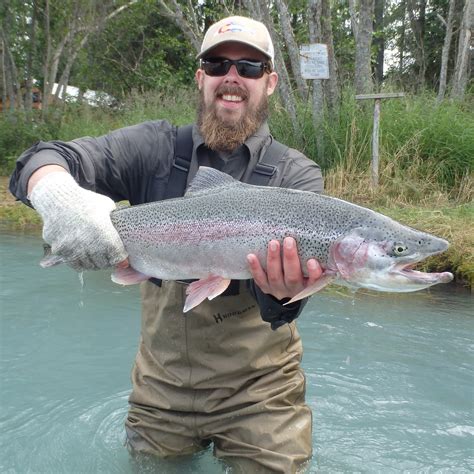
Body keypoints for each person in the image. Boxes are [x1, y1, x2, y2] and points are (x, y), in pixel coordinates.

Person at [9, 16, 324, 473]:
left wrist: (283, 293)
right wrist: (57, 194)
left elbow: (281, 311)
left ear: (270, 82)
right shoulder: (151, 148)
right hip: (161, 391)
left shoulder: (295, 177)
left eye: (250, 67)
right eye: (217, 64)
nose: (231, 77)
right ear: (201, 78)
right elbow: (41, 157)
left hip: (262, 396)